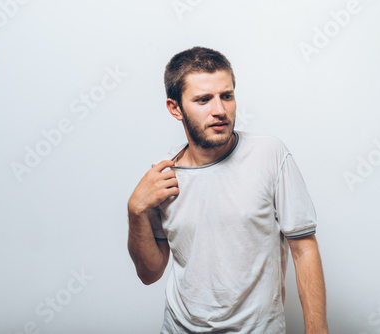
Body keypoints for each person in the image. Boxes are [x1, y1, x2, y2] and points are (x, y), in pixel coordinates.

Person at [127, 46, 328, 334]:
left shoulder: (269, 154)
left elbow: (303, 248)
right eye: (203, 99)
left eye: (227, 96)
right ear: (175, 108)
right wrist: (135, 211)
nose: (219, 110)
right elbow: (150, 273)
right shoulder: (163, 177)